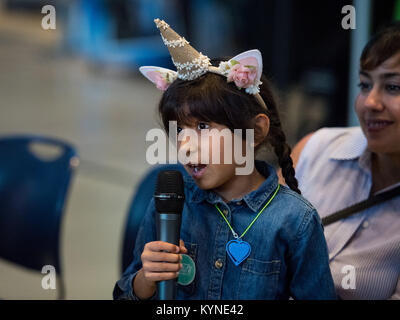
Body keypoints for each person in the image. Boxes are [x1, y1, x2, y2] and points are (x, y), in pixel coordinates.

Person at [113, 19, 336, 300]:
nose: (185, 144)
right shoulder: (170, 204)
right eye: (179, 130)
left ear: (254, 131)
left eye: (203, 127)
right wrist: (146, 279)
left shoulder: (295, 222)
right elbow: (124, 293)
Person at [287, 22, 400, 300]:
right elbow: (253, 243)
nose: (370, 102)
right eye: (364, 84)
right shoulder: (315, 149)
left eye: (393, 87)